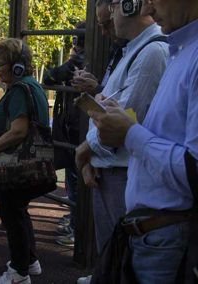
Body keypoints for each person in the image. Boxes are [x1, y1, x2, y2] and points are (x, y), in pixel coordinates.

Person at [88, 0, 198, 282]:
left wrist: (129, 133)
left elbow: (193, 169)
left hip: (166, 239)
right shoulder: (180, 50)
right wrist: (126, 125)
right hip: (153, 235)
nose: (148, 10)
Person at [75, 2, 169, 283]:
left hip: (122, 175)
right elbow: (114, 111)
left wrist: (84, 152)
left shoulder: (152, 52)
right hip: (111, 169)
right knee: (112, 258)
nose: (110, 18)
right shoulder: (135, 50)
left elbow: (121, 121)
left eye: (114, 6)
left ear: (131, 6)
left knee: (121, 263)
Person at [0, 38, 50, 284]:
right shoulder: (29, 86)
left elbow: (18, 130)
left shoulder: (20, 89)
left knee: (12, 214)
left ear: (17, 66)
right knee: (18, 211)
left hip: (17, 165)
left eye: (0, 64)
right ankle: (29, 261)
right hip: (28, 163)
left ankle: (19, 273)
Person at [43, 21, 85, 247]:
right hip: (76, 122)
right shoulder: (95, 57)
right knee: (74, 175)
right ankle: (74, 217)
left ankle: (77, 227)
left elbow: (50, 76)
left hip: (77, 125)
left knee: (75, 176)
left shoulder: (78, 61)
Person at [71, 0, 127, 96]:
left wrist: (96, 88)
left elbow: (126, 103)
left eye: (107, 24)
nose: (103, 32)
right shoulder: (117, 48)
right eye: (101, 25)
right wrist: (94, 83)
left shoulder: (145, 50)